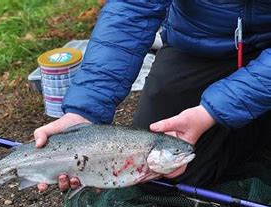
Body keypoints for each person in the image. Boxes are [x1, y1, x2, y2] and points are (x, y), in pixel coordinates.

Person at [33, 1, 271, 193]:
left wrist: (212, 112)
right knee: (163, 179)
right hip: (202, 45)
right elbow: (133, 9)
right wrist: (84, 110)